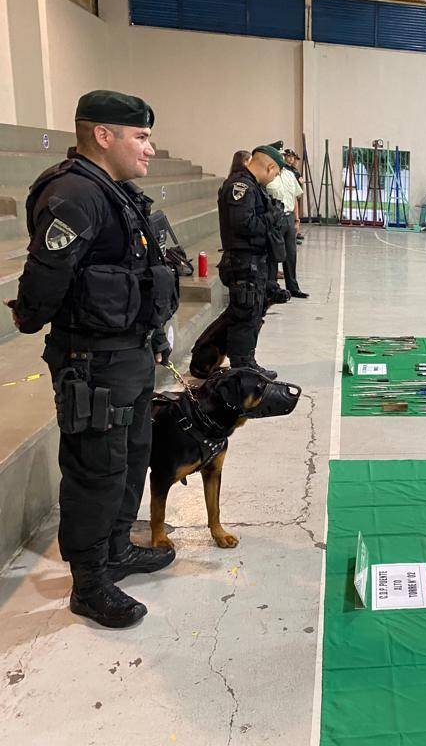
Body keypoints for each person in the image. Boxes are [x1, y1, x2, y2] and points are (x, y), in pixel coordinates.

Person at [6, 90, 179, 628]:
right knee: (95, 470)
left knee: (131, 457)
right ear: (103, 135)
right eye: (141, 137)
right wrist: (34, 319)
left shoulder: (115, 192)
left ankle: (117, 551)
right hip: (93, 360)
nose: (149, 149)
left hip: (128, 353)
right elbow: (42, 283)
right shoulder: (74, 194)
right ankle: (89, 583)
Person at [213, 144, 288, 377]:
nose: (274, 178)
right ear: (270, 166)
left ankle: (247, 364)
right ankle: (242, 370)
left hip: (253, 262)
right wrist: (271, 216)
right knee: (244, 318)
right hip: (242, 262)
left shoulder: (253, 187)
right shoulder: (241, 186)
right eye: (275, 173)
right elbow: (244, 225)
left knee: (251, 315)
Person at [267, 148, 308, 298]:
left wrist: (297, 219)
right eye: (282, 156)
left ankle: (293, 287)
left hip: (289, 217)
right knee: (273, 254)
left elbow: (295, 198)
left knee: (291, 254)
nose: (283, 159)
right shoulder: (269, 176)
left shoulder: (290, 175)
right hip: (275, 219)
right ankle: (271, 287)